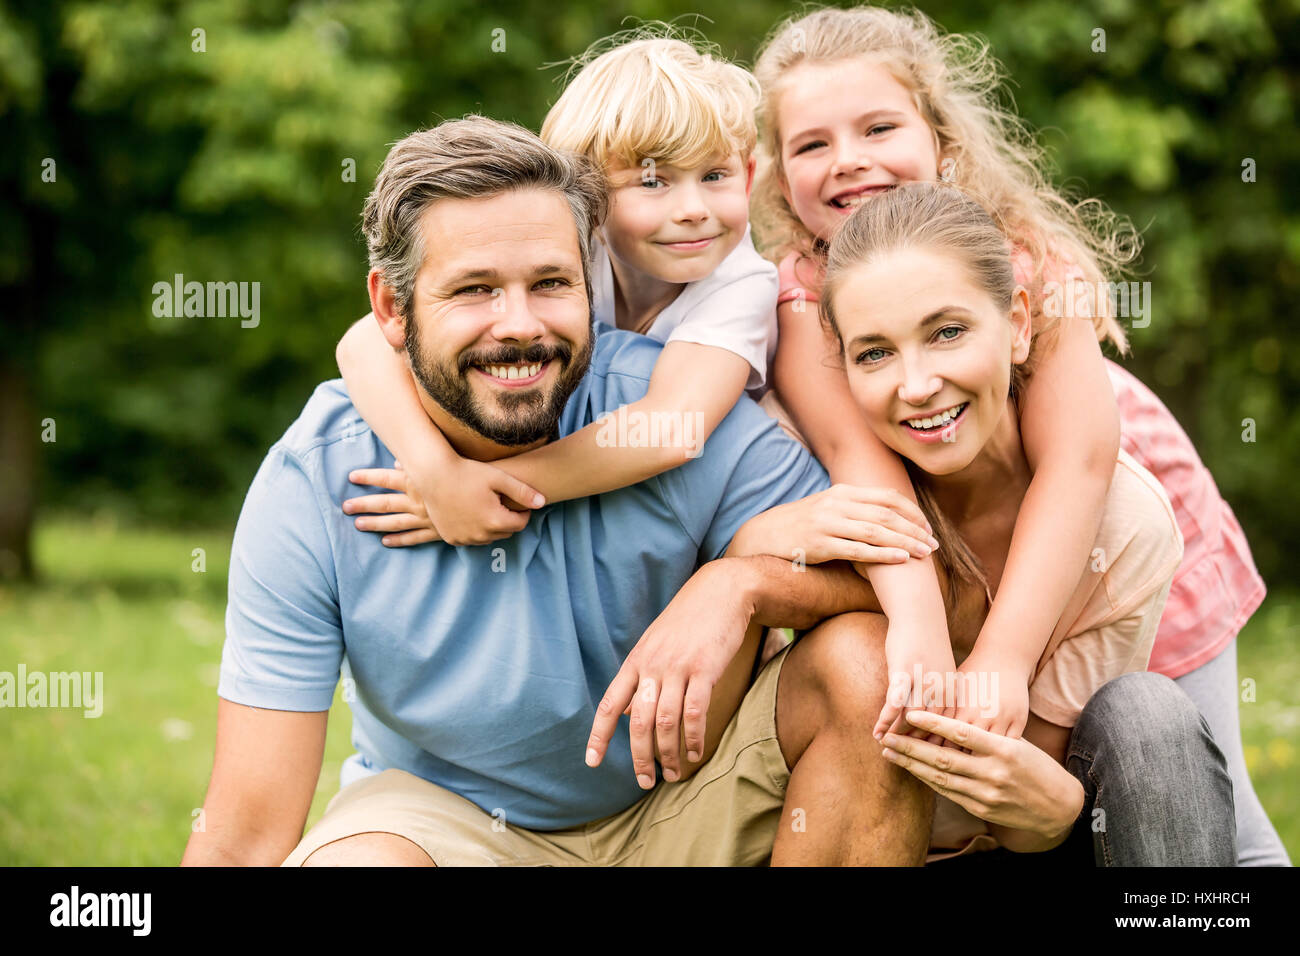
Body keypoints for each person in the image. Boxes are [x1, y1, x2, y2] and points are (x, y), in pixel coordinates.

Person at [180, 115, 943, 867]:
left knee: (863, 664)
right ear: (389, 307)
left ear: (590, 284)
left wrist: (738, 586)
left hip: (686, 805)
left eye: (549, 284)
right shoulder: (315, 479)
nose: (518, 326)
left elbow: (888, 576)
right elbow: (245, 836)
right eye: (474, 290)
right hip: (449, 822)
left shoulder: (669, 412)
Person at [748, 4, 1284, 864]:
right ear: (776, 178)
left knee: (1194, 785)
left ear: (940, 137)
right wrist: (921, 624)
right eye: (812, 144)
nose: (849, 159)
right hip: (959, 536)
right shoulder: (797, 302)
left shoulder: (1028, 253)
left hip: (1113, 512)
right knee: (1019, 781)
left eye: (879, 126)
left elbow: (1077, 463)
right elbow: (863, 461)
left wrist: (1001, 654)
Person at [728, 179, 1233, 863]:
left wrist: (1052, 810)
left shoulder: (1122, 528)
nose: (916, 385)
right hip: (859, 836)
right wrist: (742, 567)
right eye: (874, 353)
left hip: (1014, 843)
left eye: (948, 332)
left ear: (1020, 324)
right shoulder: (830, 494)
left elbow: (1012, 816)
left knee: (1152, 717)